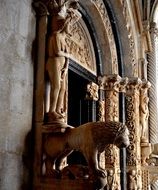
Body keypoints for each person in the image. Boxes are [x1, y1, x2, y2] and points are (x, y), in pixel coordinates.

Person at [46, 4, 81, 119]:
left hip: (62, 65)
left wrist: (66, 68)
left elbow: (67, 58)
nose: (70, 27)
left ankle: (57, 109)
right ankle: (51, 111)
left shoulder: (65, 41)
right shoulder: (55, 36)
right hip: (54, 62)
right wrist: (68, 54)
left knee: (63, 88)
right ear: (64, 25)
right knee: (55, 86)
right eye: (69, 25)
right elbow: (57, 52)